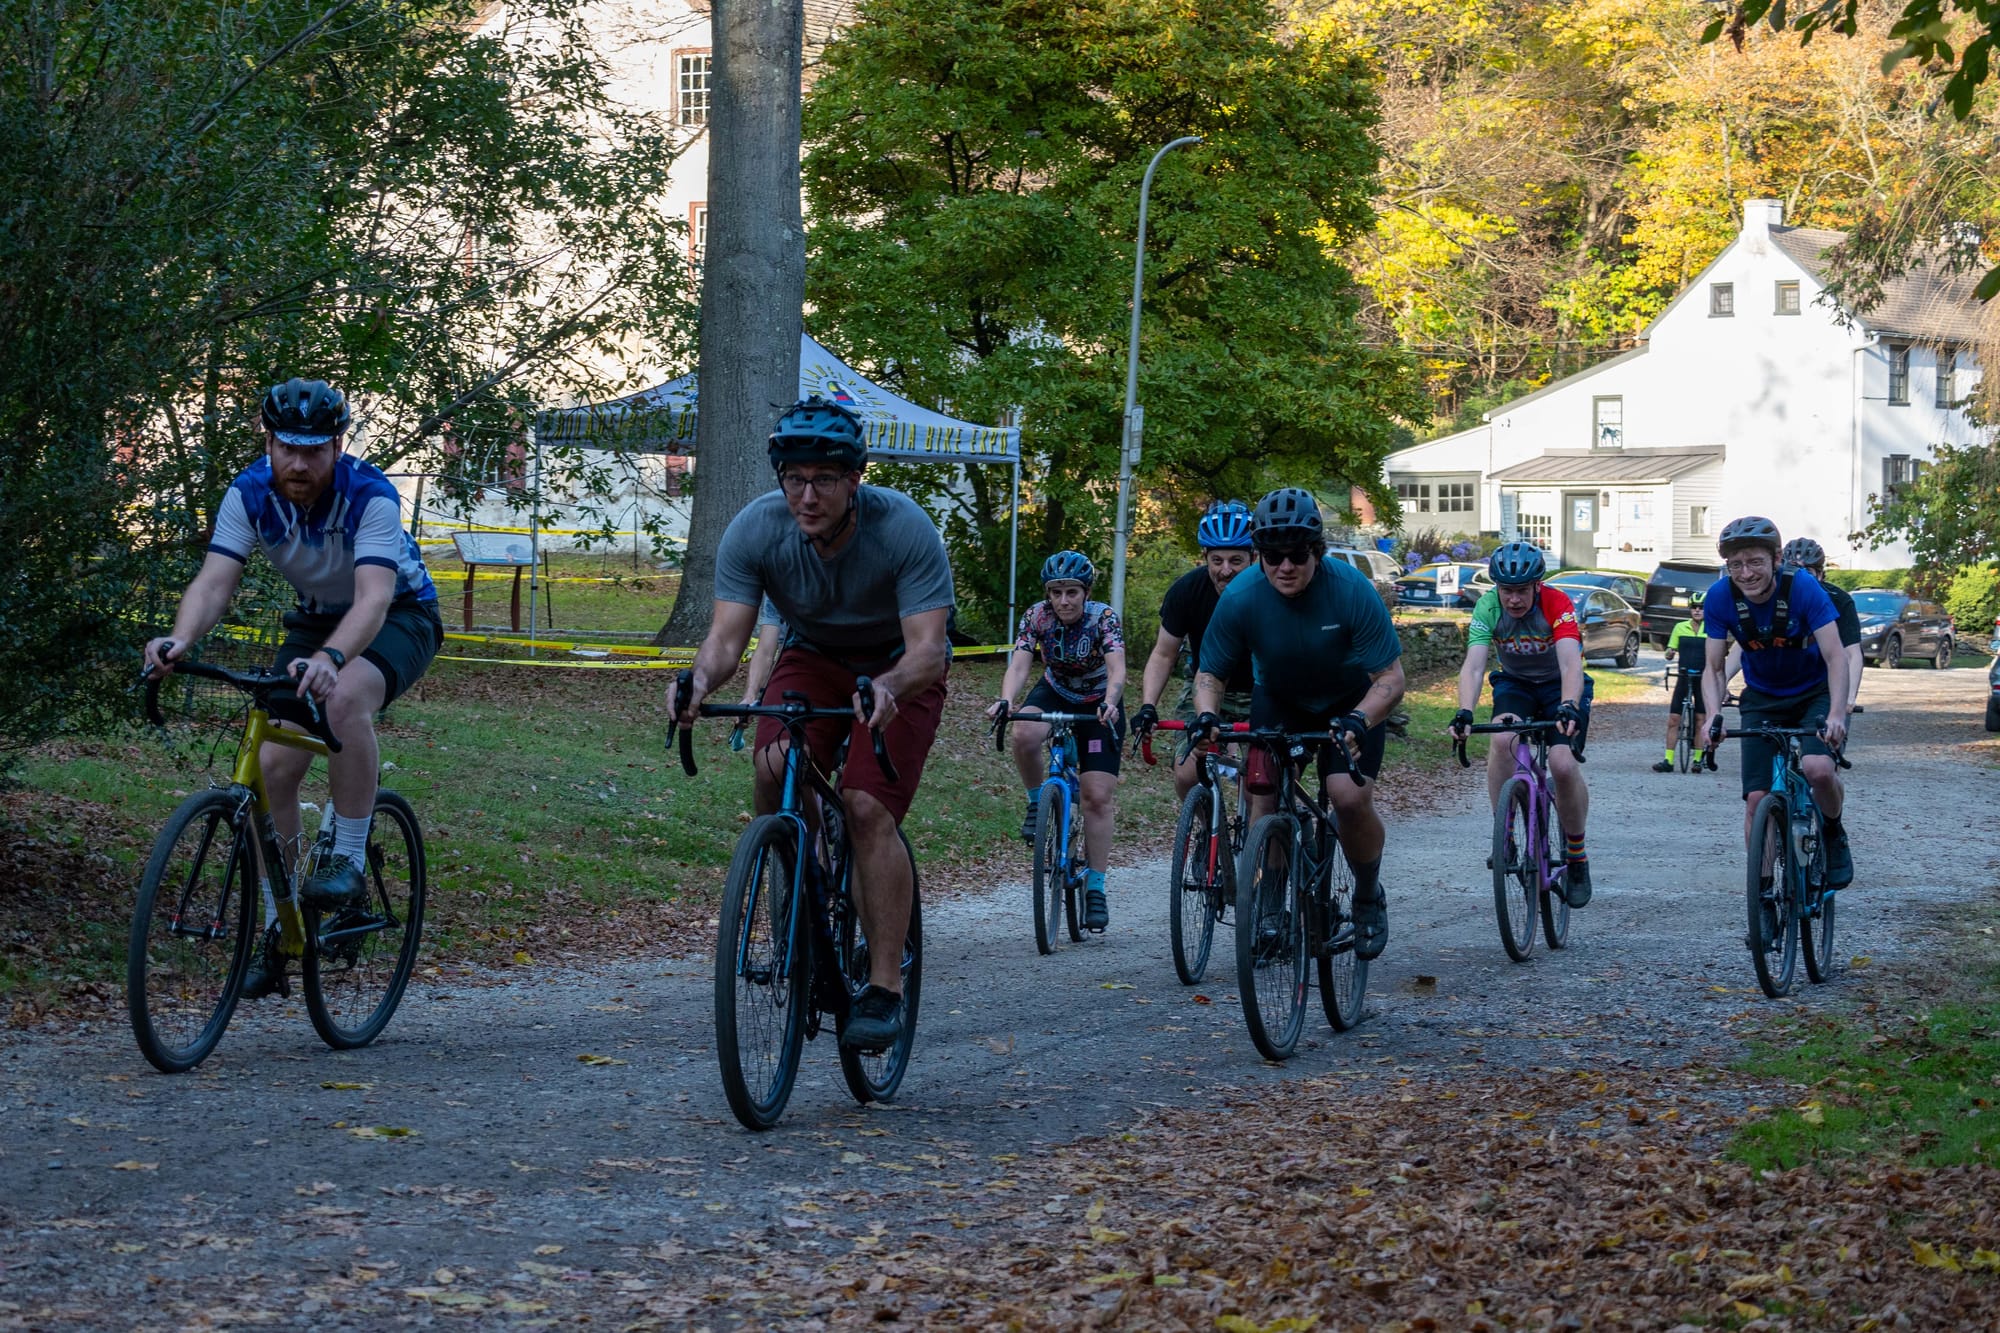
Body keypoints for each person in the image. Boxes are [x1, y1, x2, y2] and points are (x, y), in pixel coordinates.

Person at [143, 378, 443, 999]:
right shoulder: (250, 494)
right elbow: (214, 583)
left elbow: (375, 598)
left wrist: (335, 656)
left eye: (314, 450)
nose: (299, 463)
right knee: (274, 767)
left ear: (338, 445)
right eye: (287, 448)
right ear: (268, 439)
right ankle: (284, 926)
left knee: (343, 696)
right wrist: (180, 640)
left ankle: (348, 859)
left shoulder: (371, 498)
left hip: (400, 616)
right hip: (314, 620)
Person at [675, 396, 954, 1052]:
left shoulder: (903, 528)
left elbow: (928, 648)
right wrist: (697, 682)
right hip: (816, 656)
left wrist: (886, 687)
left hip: (898, 668)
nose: (806, 495)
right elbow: (725, 637)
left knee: (864, 805)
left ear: (856, 478)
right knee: (772, 766)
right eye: (794, 478)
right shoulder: (756, 529)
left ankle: (883, 985)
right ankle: (804, 890)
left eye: (824, 479)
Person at [1193, 488, 1405, 960]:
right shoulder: (1243, 596)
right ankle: (1270, 904)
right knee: (1261, 797)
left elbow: (1390, 678)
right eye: (1272, 556)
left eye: (1297, 555)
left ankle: (1368, 894)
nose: (1284, 567)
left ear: (1317, 552)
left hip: (1349, 700)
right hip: (1281, 698)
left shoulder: (1351, 589)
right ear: (1260, 555)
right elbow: (1211, 673)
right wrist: (1207, 715)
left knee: (1348, 797)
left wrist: (1359, 719)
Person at [1700, 516, 1853, 888]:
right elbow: (1714, 668)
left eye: (1755, 562)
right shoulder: (1720, 597)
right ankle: (1765, 891)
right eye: (1735, 564)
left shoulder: (1803, 589)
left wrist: (1836, 713)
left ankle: (1832, 831)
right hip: (1762, 698)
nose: (1746, 572)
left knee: (1818, 769)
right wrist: (1712, 716)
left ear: (1776, 558)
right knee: (1757, 798)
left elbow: (1837, 657)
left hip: (1814, 693)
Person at [1447, 541, 1595, 907]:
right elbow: (1475, 665)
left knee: (1561, 765)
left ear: (1537, 586)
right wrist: (1465, 710)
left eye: (1521, 591)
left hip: (1559, 687)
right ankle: (1507, 836)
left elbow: (1570, 664)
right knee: (1502, 740)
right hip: (1516, 685)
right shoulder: (1487, 607)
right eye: (1507, 590)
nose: (1513, 600)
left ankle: (1577, 856)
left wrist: (1569, 705)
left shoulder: (1556, 604)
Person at [986, 551, 1127, 932]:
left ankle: (1095, 886)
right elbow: (1019, 663)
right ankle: (1037, 802)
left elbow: (1117, 669)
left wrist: (1111, 703)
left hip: (1098, 700)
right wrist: (1006, 700)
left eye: (1071, 593)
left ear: (1086, 592)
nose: (1064, 601)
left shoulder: (1104, 619)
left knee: (1096, 796)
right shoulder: (1036, 616)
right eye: (1056, 592)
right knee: (1024, 731)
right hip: (1055, 690)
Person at [1130, 501, 1258, 799]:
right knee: (1187, 774)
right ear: (1205, 557)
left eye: (1236, 561)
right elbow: (1164, 654)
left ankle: (1261, 839)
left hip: (1259, 689)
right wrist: (1149, 705)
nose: (1225, 570)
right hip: (1207, 685)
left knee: (1257, 786)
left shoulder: (1268, 591)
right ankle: (1206, 834)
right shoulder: (1186, 591)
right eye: (1217, 560)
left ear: (1253, 557)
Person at [1780, 537, 1864, 714]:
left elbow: (1852, 652)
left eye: (1807, 571)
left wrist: (1849, 698)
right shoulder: (1775, 597)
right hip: (1786, 686)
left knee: (1827, 736)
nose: (1799, 576)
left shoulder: (1839, 600)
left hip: (1827, 685)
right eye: (1793, 569)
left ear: (1819, 574)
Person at [1655, 590, 1712, 772]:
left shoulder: (1712, 628)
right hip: (1684, 675)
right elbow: (1669, 651)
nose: (1697, 610)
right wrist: (1669, 653)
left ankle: (1697, 760)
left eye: (1701, 608)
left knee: (1700, 718)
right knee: (1674, 718)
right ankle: (1668, 760)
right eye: (1694, 607)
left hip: (1702, 678)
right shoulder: (1680, 627)